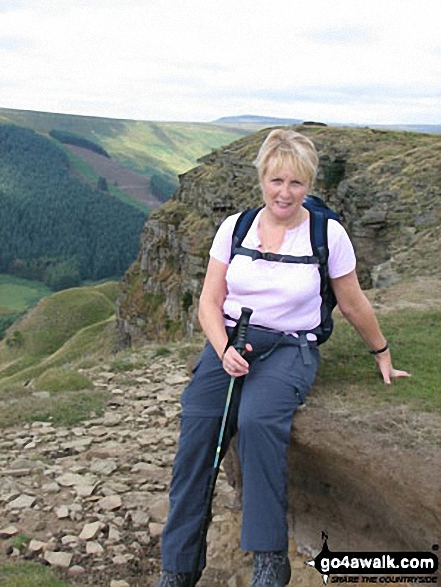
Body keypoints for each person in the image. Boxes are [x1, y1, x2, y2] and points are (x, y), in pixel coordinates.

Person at [156, 129, 410, 587]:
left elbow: (352, 302)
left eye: (296, 183)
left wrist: (382, 351)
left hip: (291, 345)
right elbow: (209, 302)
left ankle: (269, 557)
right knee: (198, 428)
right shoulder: (235, 227)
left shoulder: (325, 233)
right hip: (231, 341)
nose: (285, 193)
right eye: (276, 181)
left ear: (308, 185)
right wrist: (223, 348)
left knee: (257, 422)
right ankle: (178, 566)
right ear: (262, 180)